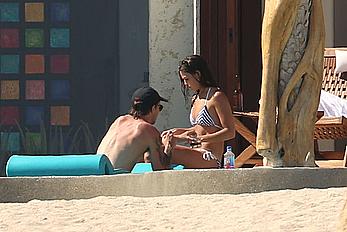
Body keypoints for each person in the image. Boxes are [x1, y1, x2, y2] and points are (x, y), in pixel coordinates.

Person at [162, 55, 235, 168]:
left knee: (166, 152)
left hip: (209, 156)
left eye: (187, 79)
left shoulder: (216, 97)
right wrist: (177, 131)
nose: (186, 84)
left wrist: (200, 139)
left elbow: (230, 132)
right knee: (157, 150)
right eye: (183, 80)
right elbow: (198, 129)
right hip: (196, 152)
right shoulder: (196, 98)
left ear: (197, 74)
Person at [97, 86, 174, 171]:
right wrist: (169, 146)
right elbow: (161, 171)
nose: (159, 111)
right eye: (160, 107)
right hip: (114, 180)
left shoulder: (119, 120)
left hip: (95, 173)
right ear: (153, 108)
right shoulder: (148, 130)